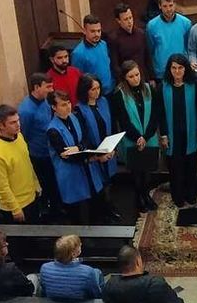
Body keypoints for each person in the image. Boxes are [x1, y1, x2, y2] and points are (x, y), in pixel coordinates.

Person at [47, 89, 107, 223]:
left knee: (94, 202)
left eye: (69, 103)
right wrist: (93, 157)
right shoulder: (53, 130)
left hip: (85, 167)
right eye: (63, 105)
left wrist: (79, 147)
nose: (68, 107)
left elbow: (86, 139)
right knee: (77, 210)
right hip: (70, 172)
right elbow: (67, 156)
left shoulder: (74, 118)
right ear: (54, 107)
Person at [111, 59, 160, 213]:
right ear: (125, 78)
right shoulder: (119, 94)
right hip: (132, 139)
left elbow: (155, 115)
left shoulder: (149, 89)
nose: (136, 79)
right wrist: (137, 137)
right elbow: (123, 120)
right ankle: (139, 197)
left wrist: (146, 136)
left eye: (137, 75)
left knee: (147, 170)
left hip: (149, 137)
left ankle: (147, 195)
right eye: (131, 76)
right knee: (137, 171)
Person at [158, 54, 197, 208]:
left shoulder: (194, 85)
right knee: (175, 166)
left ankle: (191, 195)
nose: (177, 71)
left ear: (186, 69)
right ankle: (178, 196)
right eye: (174, 68)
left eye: (180, 68)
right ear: (169, 69)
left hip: (190, 131)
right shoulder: (163, 87)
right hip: (172, 133)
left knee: (191, 163)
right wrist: (164, 134)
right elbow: (160, 113)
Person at [74, 73, 120, 222]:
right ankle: (100, 213)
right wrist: (99, 155)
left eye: (98, 88)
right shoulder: (79, 110)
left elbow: (112, 124)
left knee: (109, 181)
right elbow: (83, 135)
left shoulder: (104, 102)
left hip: (108, 149)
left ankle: (109, 207)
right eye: (93, 89)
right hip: (94, 154)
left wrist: (114, 147)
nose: (97, 92)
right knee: (97, 185)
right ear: (85, 90)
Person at [0, 103, 41, 223]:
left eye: (18, 120)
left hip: (31, 197)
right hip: (16, 207)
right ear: (0, 125)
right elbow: (1, 186)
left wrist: (36, 184)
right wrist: (15, 209)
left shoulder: (19, 136)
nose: (18, 125)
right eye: (12, 122)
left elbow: (27, 163)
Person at [17, 72, 61, 219]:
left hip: (49, 151)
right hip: (38, 155)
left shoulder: (45, 101)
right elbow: (24, 134)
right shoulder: (26, 110)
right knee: (47, 186)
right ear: (36, 87)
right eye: (48, 87)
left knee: (54, 185)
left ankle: (57, 209)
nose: (51, 90)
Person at [40, 234, 105, 301]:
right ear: (73, 254)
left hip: (53, 302)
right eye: (79, 246)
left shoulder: (45, 268)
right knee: (97, 272)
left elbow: (44, 290)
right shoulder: (88, 271)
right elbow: (95, 295)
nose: (81, 245)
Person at [146, 0, 192, 78]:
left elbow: (188, 47)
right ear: (159, 6)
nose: (168, 9)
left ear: (175, 5)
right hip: (161, 71)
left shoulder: (186, 23)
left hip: (181, 69)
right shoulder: (151, 26)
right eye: (165, 6)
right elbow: (150, 49)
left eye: (171, 5)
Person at [107, 2, 151, 83]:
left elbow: (147, 57)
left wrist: (151, 78)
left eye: (130, 17)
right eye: (126, 19)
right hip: (127, 81)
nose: (130, 21)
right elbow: (115, 65)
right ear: (118, 21)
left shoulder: (141, 33)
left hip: (143, 79)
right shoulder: (114, 39)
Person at [72, 14, 114, 94]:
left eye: (99, 31)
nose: (97, 34)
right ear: (84, 31)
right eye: (93, 31)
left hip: (110, 90)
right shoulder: (78, 53)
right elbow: (78, 79)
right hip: (94, 94)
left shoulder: (103, 44)